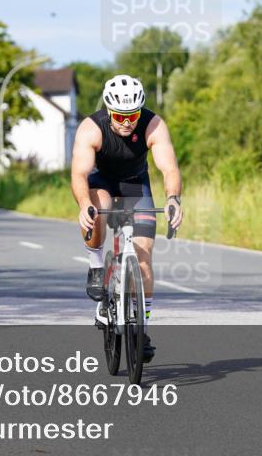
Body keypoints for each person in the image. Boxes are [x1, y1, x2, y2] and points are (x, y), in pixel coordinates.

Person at [71, 75, 183, 364]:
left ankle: (141, 328)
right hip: (102, 182)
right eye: (120, 116)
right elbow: (79, 174)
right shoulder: (91, 128)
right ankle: (97, 266)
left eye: (132, 115)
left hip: (135, 183)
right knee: (100, 209)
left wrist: (173, 199)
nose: (126, 122)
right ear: (109, 111)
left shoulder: (153, 124)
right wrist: (85, 204)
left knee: (144, 255)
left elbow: (168, 169)